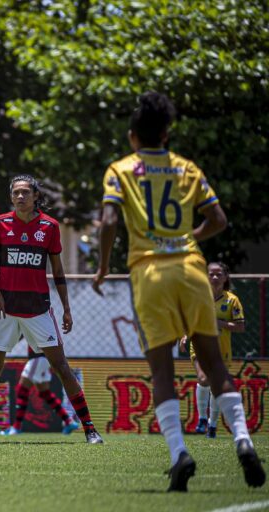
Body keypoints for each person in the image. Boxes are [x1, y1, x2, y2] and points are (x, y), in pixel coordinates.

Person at [93, 91, 263, 491]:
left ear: (133, 136)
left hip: (149, 272)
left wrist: (103, 267)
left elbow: (107, 221)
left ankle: (179, 454)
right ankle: (243, 441)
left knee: (162, 370)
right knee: (215, 364)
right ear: (167, 134)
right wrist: (187, 238)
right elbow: (218, 219)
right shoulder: (187, 168)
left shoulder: (120, 170)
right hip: (191, 268)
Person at [0, 174, 103, 445]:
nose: (20, 197)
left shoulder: (50, 227)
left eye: (25, 193)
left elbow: (58, 270)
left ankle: (89, 429)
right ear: (11, 197)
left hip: (38, 309)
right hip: (3, 310)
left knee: (62, 367)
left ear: (35, 196)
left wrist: (66, 308)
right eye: (16, 193)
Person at [178, 262, 244, 439]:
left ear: (225, 277)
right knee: (203, 377)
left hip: (221, 349)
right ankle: (202, 419)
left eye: (218, 274)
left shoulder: (232, 300)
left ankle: (212, 426)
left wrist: (220, 324)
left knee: (216, 385)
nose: (214, 277)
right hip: (199, 345)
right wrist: (185, 336)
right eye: (211, 274)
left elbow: (240, 326)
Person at [0, 346, 80, 436]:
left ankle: (16, 427)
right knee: (45, 393)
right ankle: (68, 421)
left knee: (21, 390)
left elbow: (20, 334)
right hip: (43, 359)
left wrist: (4, 344)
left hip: (37, 358)